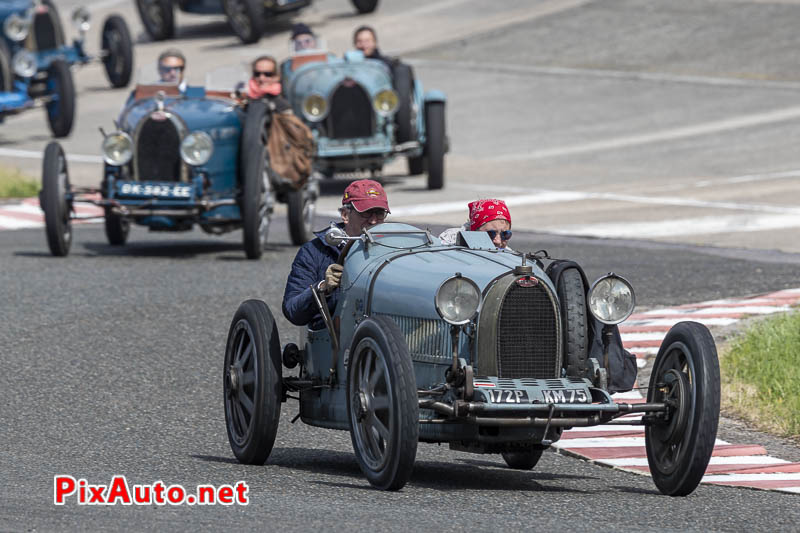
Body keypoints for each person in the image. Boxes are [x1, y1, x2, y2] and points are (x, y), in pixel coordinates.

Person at [282, 179, 391, 328]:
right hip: (333, 338)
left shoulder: (392, 249)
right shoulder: (313, 252)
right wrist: (323, 287)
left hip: (388, 334)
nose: (373, 221)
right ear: (345, 215)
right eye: (366, 213)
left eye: (379, 213)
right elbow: (292, 310)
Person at [439, 199, 513, 250]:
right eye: (490, 234)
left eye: (505, 234)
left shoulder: (509, 256)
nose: (498, 241)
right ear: (473, 230)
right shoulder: (449, 242)